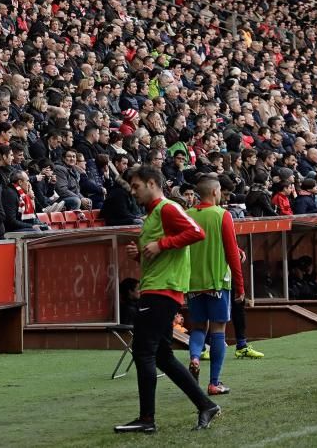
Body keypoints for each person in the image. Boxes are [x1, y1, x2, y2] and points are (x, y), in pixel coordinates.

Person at [116, 165, 220, 434]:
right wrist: (139, 254)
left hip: (162, 290)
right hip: (160, 288)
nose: (134, 192)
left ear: (152, 183)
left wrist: (160, 244)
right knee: (161, 355)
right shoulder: (153, 215)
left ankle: (147, 419)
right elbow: (161, 250)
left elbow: (196, 232)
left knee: (143, 351)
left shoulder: (167, 208)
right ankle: (205, 404)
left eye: (137, 186)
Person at [185, 176, 245, 396]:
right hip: (218, 281)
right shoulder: (222, 215)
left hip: (192, 282)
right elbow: (231, 253)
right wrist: (241, 287)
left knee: (199, 327)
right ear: (214, 192)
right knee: (218, 329)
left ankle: (193, 357)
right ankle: (214, 383)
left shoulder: (187, 215)